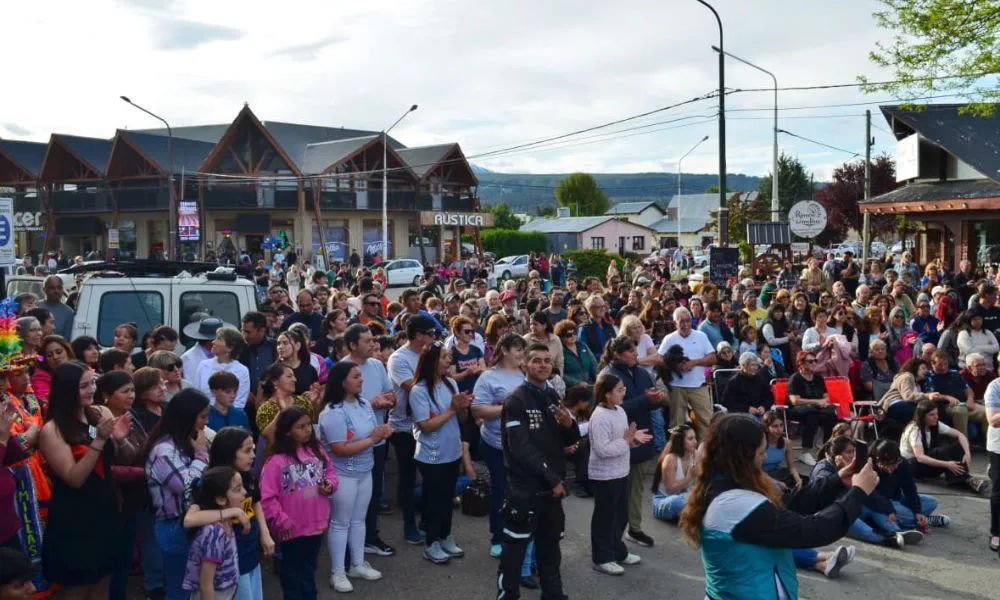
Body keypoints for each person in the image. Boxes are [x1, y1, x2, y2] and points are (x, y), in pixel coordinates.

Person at [679, 413, 877, 599]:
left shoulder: (729, 484)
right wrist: (858, 493)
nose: (765, 457)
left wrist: (837, 480)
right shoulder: (732, 505)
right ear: (743, 456)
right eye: (761, 452)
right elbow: (813, 530)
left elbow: (792, 504)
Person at [496, 343, 580, 600]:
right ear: (524, 365)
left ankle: (553, 595)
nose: (543, 365)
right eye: (536, 361)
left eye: (547, 360)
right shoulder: (516, 400)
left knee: (550, 549)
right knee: (514, 552)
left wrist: (569, 425)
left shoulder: (553, 395)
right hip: (525, 489)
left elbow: (570, 440)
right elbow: (521, 448)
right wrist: (553, 479)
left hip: (552, 491)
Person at [39, 362, 128, 599]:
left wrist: (119, 440)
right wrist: (99, 440)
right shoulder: (53, 430)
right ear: (67, 390)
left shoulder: (99, 412)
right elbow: (73, 478)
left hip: (104, 508)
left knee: (103, 579)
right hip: (75, 517)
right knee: (78, 586)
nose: (91, 389)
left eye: (93, 382)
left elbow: (113, 458)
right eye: (84, 386)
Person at [318, 362, 391, 592]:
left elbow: (371, 433)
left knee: (359, 520)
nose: (361, 380)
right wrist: (374, 438)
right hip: (342, 474)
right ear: (342, 382)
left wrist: (381, 434)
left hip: (364, 470)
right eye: (356, 376)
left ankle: (357, 564)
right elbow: (339, 448)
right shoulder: (332, 412)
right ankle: (337, 572)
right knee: (340, 523)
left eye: (360, 375)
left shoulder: (362, 404)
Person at [182, 427, 274, 600]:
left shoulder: (249, 475)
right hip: (230, 563)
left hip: (250, 551)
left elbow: (255, 502)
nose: (253, 456)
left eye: (253, 450)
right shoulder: (213, 482)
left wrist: (265, 533)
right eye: (247, 451)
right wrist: (234, 512)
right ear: (229, 453)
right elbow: (190, 520)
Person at [260, 407, 337, 600]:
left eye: (308, 425)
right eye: (300, 427)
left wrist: (330, 485)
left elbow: (330, 473)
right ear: (287, 431)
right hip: (292, 529)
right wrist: (281, 521)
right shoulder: (276, 461)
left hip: (316, 524)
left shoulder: (317, 450)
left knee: (309, 571)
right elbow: (268, 498)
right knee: (292, 576)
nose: (307, 430)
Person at [145, 389, 212, 600]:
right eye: (202, 417)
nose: (205, 422)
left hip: (192, 522)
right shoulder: (163, 450)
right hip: (175, 525)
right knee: (181, 588)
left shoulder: (186, 442)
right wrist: (201, 455)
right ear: (187, 417)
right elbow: (187, 486)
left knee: (195, 586)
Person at [599, 336, 664, 547]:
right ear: (617, 354)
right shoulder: (608, 376)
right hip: (619, 441)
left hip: (642, 437)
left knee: (636, 488)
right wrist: (646, 400)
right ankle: (609, 540)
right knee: (616, 493)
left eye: (636, 350)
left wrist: (655, 401)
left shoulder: (642, 373)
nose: (636, 354)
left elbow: (648, 402)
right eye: (631, 351)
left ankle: (634, 529)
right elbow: (612, 410)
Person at [410, 342, 471, 564]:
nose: (449, 361)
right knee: (435, 501)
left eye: (449, 356)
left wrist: (463, 406)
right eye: (445, 357)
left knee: (448, 498)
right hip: (431, 455)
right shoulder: (418, 390)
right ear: (432, 361)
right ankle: (431, 543)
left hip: (451, 451)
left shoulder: (451, 383)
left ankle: (445, 536)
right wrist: (452, 409)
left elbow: (462, 419)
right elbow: (426, 426)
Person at [340, 324, 397, 557]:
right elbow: (339, 406)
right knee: (352, 498)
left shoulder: (376, 365)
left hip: (378, 439)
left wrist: (387, 402)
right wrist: (371, 404)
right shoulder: (343, 368)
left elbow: (391, 395)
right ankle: (347, 547)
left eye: (373, 340)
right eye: (367, 341)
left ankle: (370, 537)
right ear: (353, 344)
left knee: (372, 493)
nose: (373, 344)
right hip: (354, 443)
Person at [587, 372, 649, 575]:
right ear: (606, 394)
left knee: (621, 515)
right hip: (605, 475)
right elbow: (602, 449)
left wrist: (633, 438)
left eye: (624, 389)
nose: (624, 393)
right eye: (619, 390)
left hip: (622, 471)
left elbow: (623, 439)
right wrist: (627, 440)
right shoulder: (599, 417)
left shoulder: (620, 411)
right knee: (605, 518)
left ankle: (617, 551)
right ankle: (602, 558)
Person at [472, 334, 527, 557]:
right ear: (504, 350)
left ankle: (519, 533)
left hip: (524, 446)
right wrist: (508, 408)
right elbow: (477, 410)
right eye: (517, 349)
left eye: (523, 350)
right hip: (495, 444)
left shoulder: (527, 374)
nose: (521, 354)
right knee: (501, 491)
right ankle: (498, 537)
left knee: (521, 493)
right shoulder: (488, 378)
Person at [387, 314, 437, 544]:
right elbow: (413, 388)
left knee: (430, 476)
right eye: (431, 334)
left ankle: (428, 520)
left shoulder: (431, 354)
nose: (435, 339)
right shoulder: (398, 359)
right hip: (404, 428)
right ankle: (409, 526)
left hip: (428, 424)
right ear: (419, 336)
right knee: (408, 477)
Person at [182, 467, 244, 600]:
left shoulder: (226, 522)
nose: (244, 493)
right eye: (238, 489)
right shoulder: (214, 533)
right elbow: (206, 584)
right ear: (221, 500)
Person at [901, 400, 987, 493]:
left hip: (927, 461)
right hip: (913, 466)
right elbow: (920, 457)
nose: (936, 417)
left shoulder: (935, 424)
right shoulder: (915, 430)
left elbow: (959, 435)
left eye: (936, 414)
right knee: (939, 451)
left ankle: (964, 478)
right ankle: (965, 480)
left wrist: (967, 453)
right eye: (931, 415)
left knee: (958, 446)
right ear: (922, 416)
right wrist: (947, 464)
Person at [659, 307, 716, 432]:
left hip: (698, 386)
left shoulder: (701, 336)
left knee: (706, 422)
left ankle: (705, 450)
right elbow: (660, 361)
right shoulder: (669, 339)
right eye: (681, 322)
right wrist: (676, 366)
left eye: (687, 321)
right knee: (676, 425)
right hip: (677, 387)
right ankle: (678, 450)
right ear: (675, 323)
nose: (685, 325)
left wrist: (695, 362)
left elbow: (713, 358)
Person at [786, 351, 839, 466]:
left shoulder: (818, 378)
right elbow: (795, 400)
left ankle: (827, 448)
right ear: (801, 363)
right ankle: (805, 452)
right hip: (796, 410)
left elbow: (826, 397)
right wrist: (817, 402)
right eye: (810, 361)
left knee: (831, 416)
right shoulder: (795, 379)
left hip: (816, 408)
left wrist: (824, 402)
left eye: (815, 360)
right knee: (812, 415)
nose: (814, 363)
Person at [197, 328, 251, 411]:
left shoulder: (242, 370)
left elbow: (239, 403)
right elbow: (197, 393)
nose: (213, 342)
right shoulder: (203, 365)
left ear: (230, 347)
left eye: (219, 339)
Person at [651, 424, 697, 522]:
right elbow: (670, 489)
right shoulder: (670, 459)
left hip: (686, 496)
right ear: (680, 442)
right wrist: (688, 478)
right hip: (666, 500)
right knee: (678, 502)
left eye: (695, 438)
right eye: (690, 439)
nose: (695, 442)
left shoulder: (695, 454)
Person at [239, 312, 277, 410]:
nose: (244, 336)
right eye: (242, 331)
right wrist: (244, 391)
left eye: (248, 332)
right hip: (246, 404)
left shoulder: (275, 347)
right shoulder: (238, 349)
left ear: (262, 331)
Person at [720, 352, 774, 416]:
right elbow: (726, 401)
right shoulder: (734, 381)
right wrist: (746, 409)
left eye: (756, 365)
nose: (756, 368)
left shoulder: (760, 379)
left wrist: (763, 407)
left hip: (759, 413)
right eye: (753, 365)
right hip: (741, 415)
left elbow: (769, 397)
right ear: (743, 366)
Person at [761, 411, 802, 491]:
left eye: (781, 425)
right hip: (761, 476)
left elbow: (792, 466)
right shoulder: (760, 443)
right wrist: (775, 483)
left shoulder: (786, 443)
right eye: (775, 426)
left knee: (804, 482)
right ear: (766, 428)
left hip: (776, 473)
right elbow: (756, 471)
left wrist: (798, 480)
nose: (779, 429)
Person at [276, 330, 319, 396]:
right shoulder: (273, 371)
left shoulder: (310, 370)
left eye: (285, 343)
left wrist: (313, 396)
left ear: (297, 345)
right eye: (278, 343)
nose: (280, 347)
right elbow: (261, 401)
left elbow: (317, 396)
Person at [556, 319, 597, 387]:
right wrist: (577, 383)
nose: (573, 336)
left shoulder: (583, 346)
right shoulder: (559, 351)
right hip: (572, 388)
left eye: (574, 333)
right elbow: (559, 374)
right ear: (561, 337)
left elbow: (594, 365)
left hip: (590, 384)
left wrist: (598, 379)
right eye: (569, 335)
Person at [523, 312, 563, 377]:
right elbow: (523, 362)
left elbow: (559, 363)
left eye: (535, 324)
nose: (532, 327)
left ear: (544, 325)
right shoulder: (526, 339)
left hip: (552, 378)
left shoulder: (555, 340)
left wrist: (558, 378)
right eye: (531, 324)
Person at [985, 378, 1000, 551]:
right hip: (998, 447)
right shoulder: (995, 387)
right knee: (998, 491)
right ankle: (996, 532)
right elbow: (993, 420)